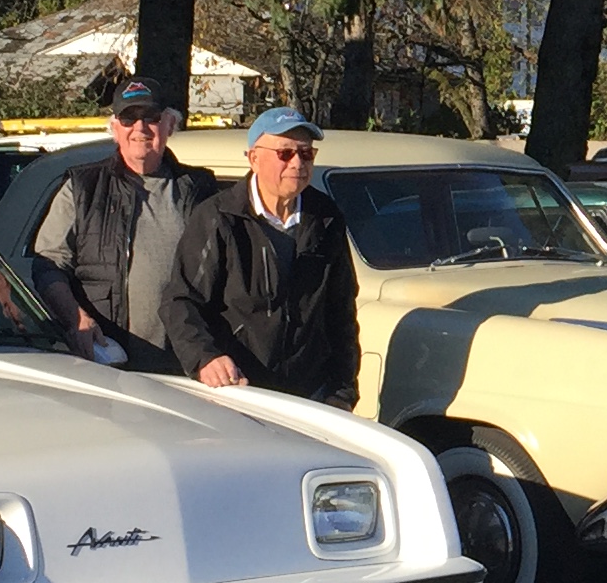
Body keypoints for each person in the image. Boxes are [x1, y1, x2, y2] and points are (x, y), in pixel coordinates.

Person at [162, 107, 361, 404]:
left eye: (306, 154)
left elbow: (341, 313)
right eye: (285, 153)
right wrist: (205, 359)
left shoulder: (326, 218)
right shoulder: (218, 217)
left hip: (310, 398)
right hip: (239, 393)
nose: (298, 163)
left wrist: (343, 392)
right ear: (254, 158)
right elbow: (180, 302)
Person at [24, 77, 216, 370]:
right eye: (129, 118)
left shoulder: (200, 188)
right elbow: (49, 264)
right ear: (115, 128)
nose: (140, 128)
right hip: (107, 361)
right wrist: (76, 319)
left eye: (150, 118)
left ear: (170, 124)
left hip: (185, 366)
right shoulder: (82, 187)